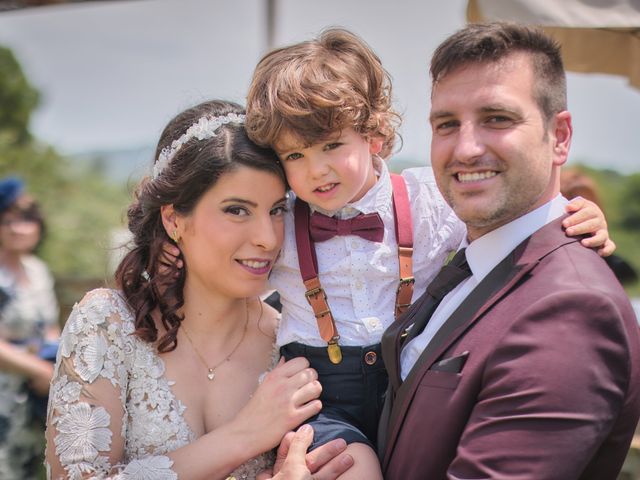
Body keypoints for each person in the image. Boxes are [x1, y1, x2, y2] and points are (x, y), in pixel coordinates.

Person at [240, 28, 615, 479]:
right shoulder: (280, 220)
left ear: (374, 135)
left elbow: (508, 223)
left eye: (332, 146)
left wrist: (577, 214)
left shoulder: (429, 198)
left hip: (403, 390)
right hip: (321, 398)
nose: (316, 168)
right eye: (295, 156)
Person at [378, 22, 640, 479]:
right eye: (446, 124)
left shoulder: (573, 309)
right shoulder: (468, 260)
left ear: (559, 137)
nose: (465, 148)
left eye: (497, 118)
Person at [44, 100, 356, 480]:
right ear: (174, 218)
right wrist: (245, 435)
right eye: (237, 210)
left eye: (277, 210)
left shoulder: (292, 338)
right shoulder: (107, 324)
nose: (266, 238)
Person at [0, 176, 60, 480]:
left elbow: (49, 327)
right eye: (7, 221)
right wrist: (39, 370)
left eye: (25, 220)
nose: (17, 228)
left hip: (35, 395)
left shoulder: (37, 271)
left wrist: (54, 363)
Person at [561, 167, 638, 285]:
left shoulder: (608, 258)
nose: (580, 212)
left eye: (588, 203)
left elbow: (629, 275)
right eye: (570, 200)